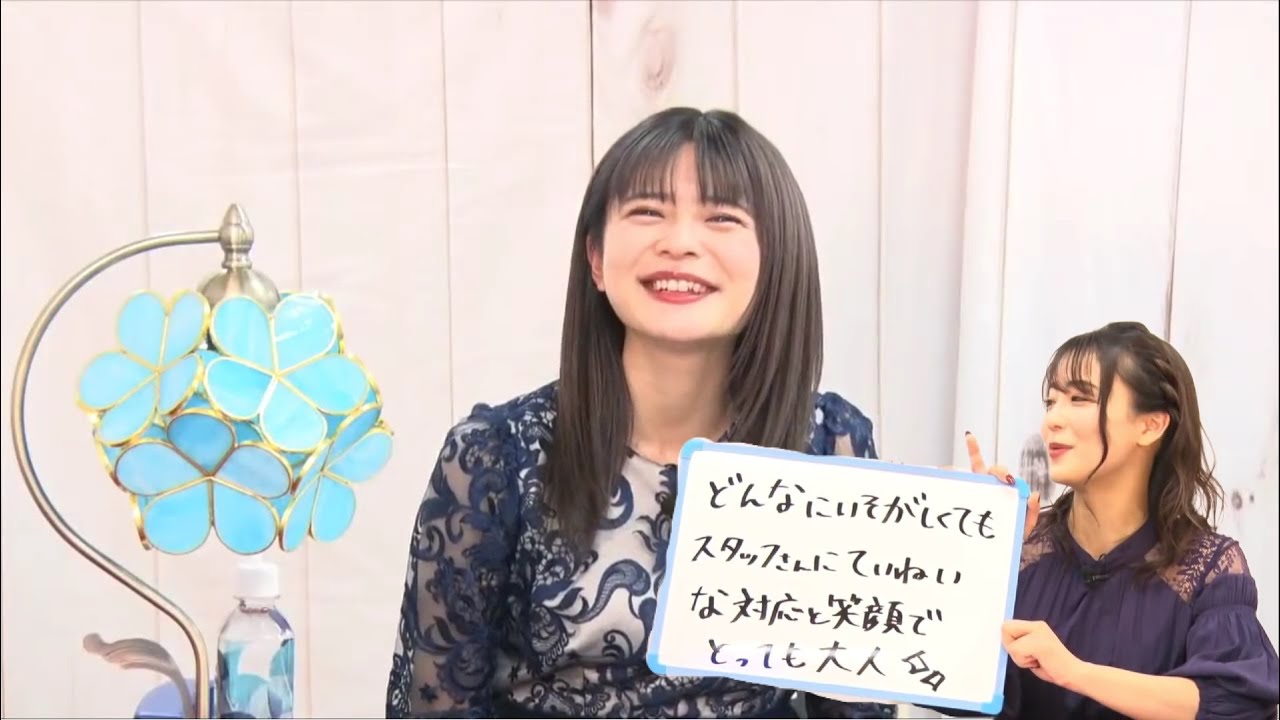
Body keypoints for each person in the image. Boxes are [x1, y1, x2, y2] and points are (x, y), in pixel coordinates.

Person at [384, 108, 896, 719]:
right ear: (597, 259)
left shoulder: (829, 446)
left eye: (722, 218)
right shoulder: (492, 458)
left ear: (776, 261)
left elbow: (857, 705)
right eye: (648, 211)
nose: (680, 242)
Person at [961, 321, 1280, 719]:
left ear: (1150, 425)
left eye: (1079, 398)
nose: (1052, 420)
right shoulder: (1022, 546)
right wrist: (976, 557)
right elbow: (950, 685)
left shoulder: (1207, 568)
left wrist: (1075, 673)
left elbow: (1235, 702)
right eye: (1051, 402)